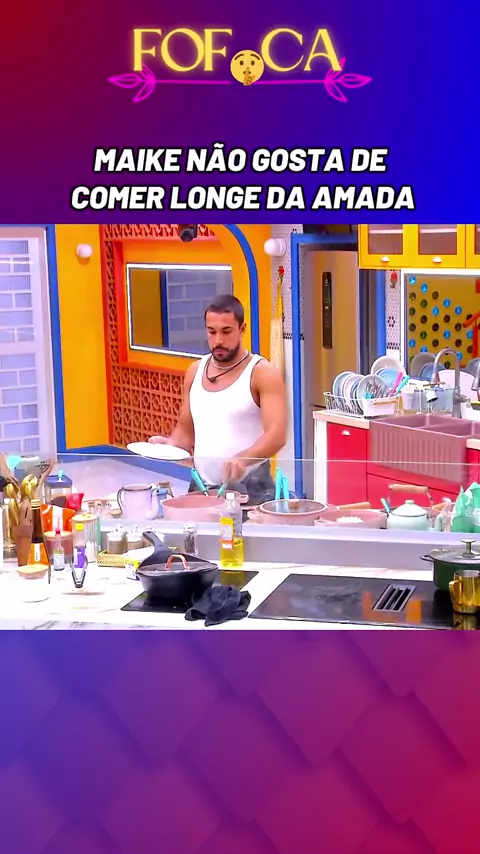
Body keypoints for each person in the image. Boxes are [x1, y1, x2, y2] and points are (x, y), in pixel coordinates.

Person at [149, 294, 287, 504]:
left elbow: (277, 435)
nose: (218, 340)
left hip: (251, 489)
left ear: (242, 329)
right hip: (202, 487)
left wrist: (243, 459)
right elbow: (185, 430)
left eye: (226, 331)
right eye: (212, 332)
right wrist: (169, 445)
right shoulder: (195, 371)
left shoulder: (262, 373)